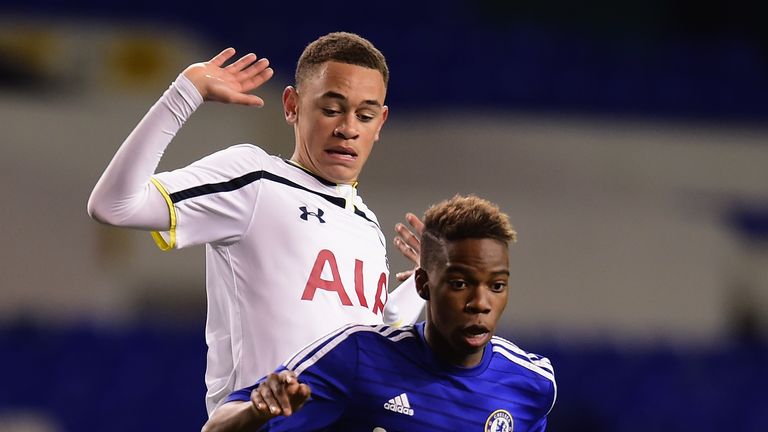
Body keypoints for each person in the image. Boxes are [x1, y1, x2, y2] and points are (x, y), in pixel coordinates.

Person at [87, 32, 424, 414]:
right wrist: (185, 94)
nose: (348, 127)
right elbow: (114, 205)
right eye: (332, 109)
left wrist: (422, 285)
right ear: (292, 105)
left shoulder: (367, 225)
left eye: (364, 115)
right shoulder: (255, 180)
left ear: (379, 123)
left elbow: (373, 336)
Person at [203, 194, 557, 431]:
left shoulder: (531, 383)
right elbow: (216, 426)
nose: (480, 302)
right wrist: (257, 411)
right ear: (423, 285)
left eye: (497, 286)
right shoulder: (358, 355)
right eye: (460, 283)